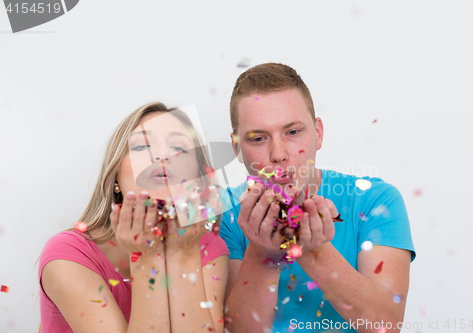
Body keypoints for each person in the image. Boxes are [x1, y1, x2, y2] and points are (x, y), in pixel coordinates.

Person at [220, 63, 416, 333]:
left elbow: (386, 325)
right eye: (258, 138)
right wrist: (263, 254)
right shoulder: (224, 213)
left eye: (292, 132)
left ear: (318, 133)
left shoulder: (376, 201)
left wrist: (313, 250)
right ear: (237, 148)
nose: (278, 154)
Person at [38, 102, 229, 333]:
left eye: (179, 148)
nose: (161, 155)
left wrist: (184, 253)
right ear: (114, 178)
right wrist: (147, 254)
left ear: (197, 180)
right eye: (140, 147)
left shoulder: (208, 248)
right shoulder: (68, 253)